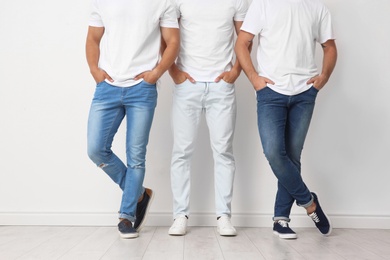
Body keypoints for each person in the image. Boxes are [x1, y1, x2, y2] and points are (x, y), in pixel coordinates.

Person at [235, 0, 337, 239]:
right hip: (270, 92)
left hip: (304, 93)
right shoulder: (262, 5)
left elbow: (329, 47)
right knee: (273, 152)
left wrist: (323, 78)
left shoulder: (317, 8)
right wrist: (254, 78)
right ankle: (309, 203)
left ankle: (281, 219)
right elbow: (242, 42)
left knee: (291, 156)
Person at [85, 0, 179, 239]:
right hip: (107, 87)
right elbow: (93, 38)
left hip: (142, 89)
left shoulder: (164, 2)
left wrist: (156, 73)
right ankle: (139, 194)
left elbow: (173, 43)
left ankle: (127, 216)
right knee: (96, 149)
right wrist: (95, 71)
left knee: (136, 155)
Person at [167, 0, 249, 236]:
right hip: (187, 85)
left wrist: (235, 72)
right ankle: (180, 215)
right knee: (182, 151)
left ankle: (224, 216)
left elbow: (245, 39)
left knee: (223, 151)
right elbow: (167, 36)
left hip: (221, 87)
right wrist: (174, 71)